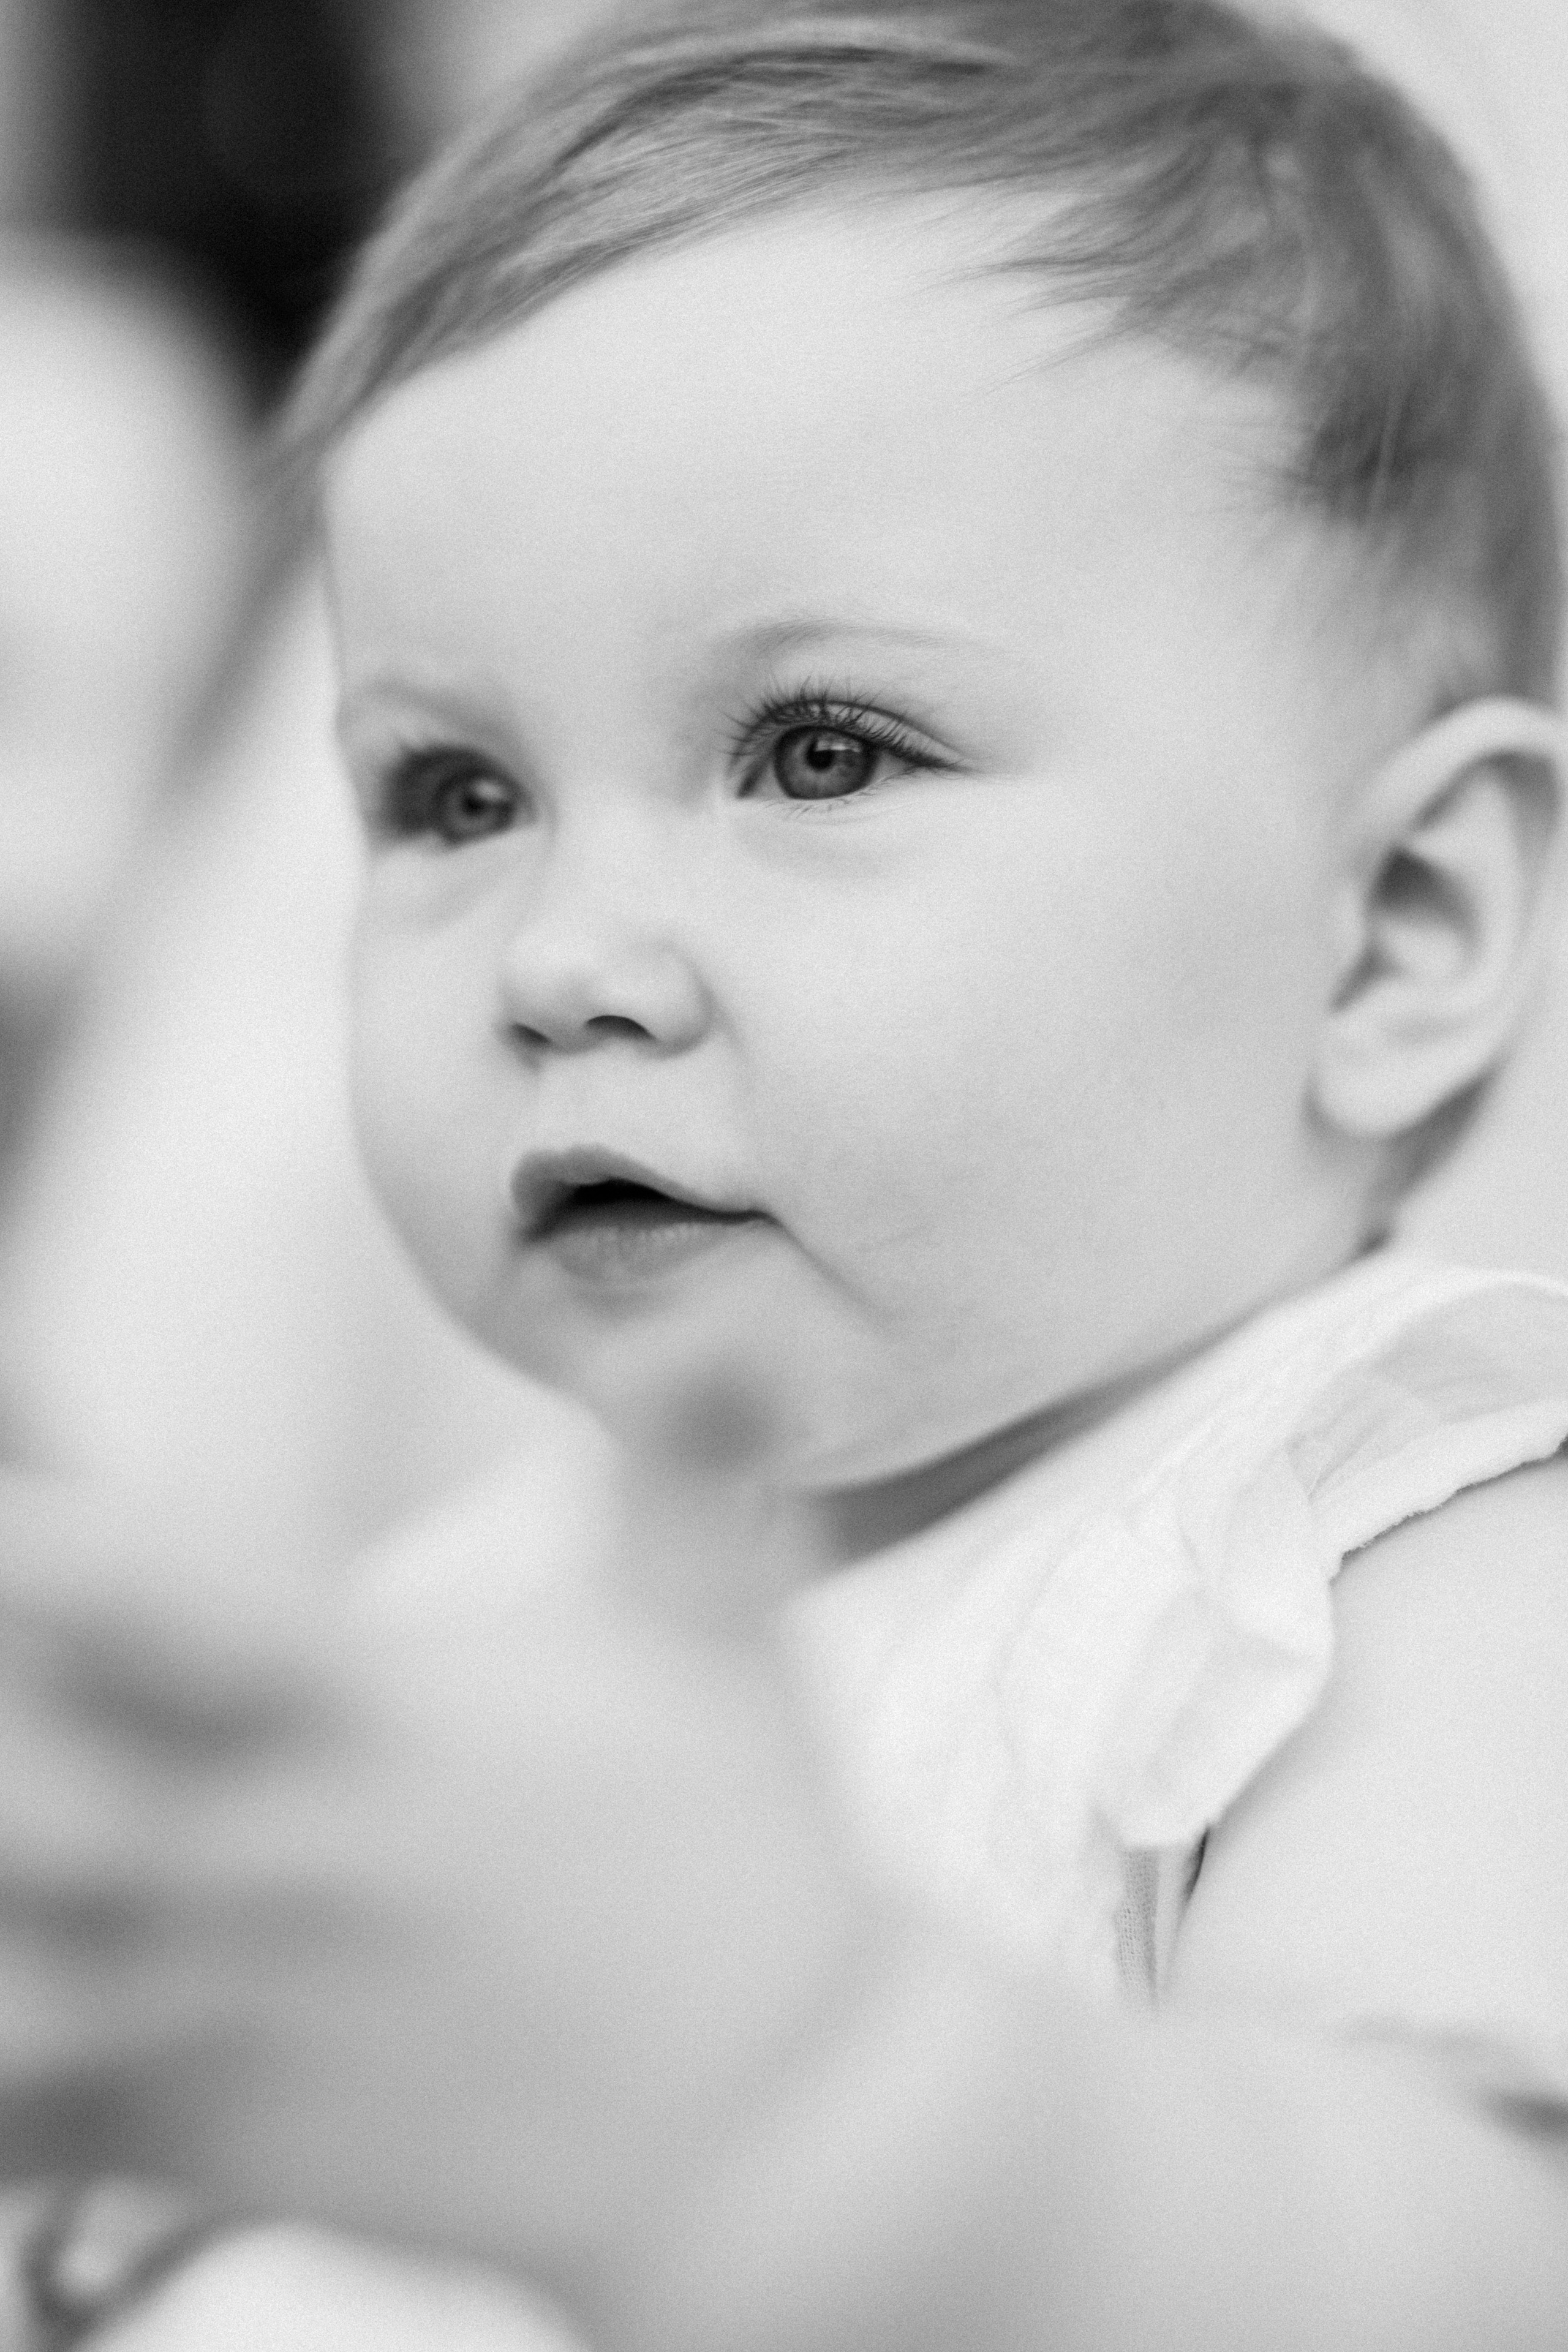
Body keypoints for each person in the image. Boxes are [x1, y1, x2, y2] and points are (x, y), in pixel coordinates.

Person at [4, 0, 1568, 2343]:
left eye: (819, 750)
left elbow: (1477, 2255)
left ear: (1399, 931)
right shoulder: (482, 1618)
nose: (562, 956)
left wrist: (815, 2108)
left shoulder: (1384, 1550)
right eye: (453, 793)